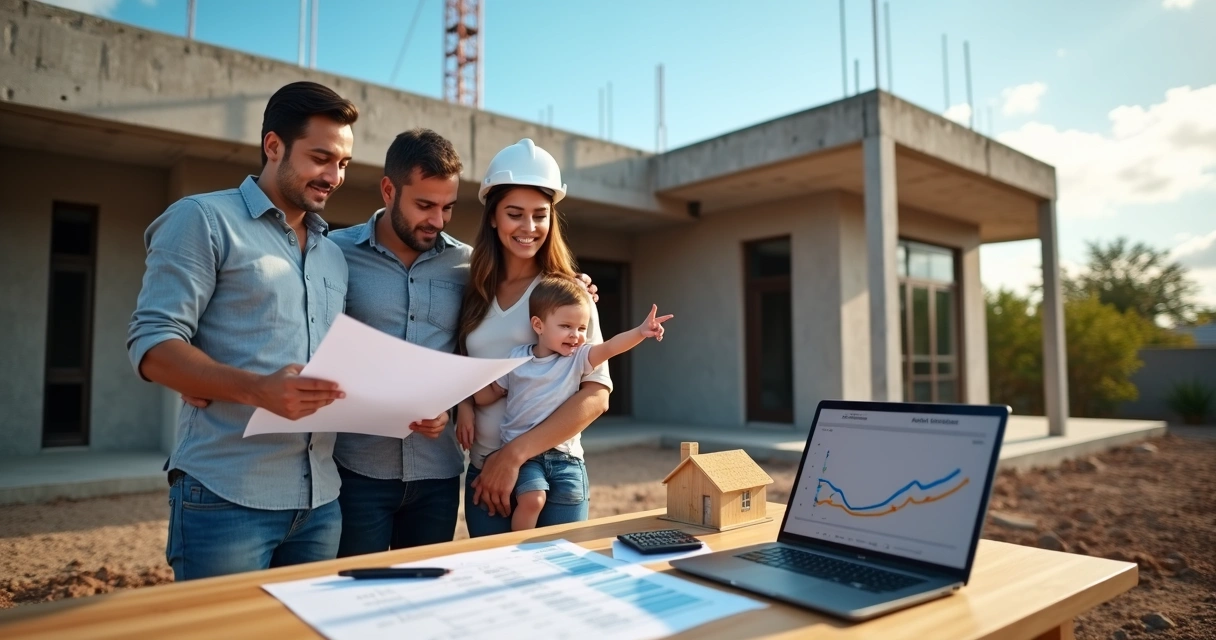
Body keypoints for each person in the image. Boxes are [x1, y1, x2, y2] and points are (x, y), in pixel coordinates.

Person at [126, 82, 358, 580]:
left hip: (321, 503)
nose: (334, 176)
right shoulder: (203, 219)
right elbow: (152, 344)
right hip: (225, 497)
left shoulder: (333, 254)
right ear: (273, 146)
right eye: (321, 158)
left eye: (343, 163)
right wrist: (257, 389)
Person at [456, 138, 614, 536]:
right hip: (484, 470)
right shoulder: (472, 289)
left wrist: (513, 456)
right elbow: (465, 367)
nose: (528, 228)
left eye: (540, 215)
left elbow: (595, 395)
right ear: (493, 217)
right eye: (514, 214)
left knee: (556, 593)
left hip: (553, 469)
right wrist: (465, 405)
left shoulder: (570, 295)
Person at [327, 129, 469, 555]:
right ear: (389, 189)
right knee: (354, 598)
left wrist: (573, 286)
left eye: (447, 208)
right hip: (357, 470)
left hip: (437, 473)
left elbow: (498, 330)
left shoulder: (467, 263)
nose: (438, 220)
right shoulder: (333, 252)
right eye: (424, 205)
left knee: (422, 603)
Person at [471, 276, 671, 530]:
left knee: (570, 520)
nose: (575, 335)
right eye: (566, 326)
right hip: (525, 457)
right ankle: (521, 550)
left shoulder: (578, 357)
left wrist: (640, 333)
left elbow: (610, 347)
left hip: (566, 457)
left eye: (581, 328)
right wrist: (464, 398)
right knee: (533, 499)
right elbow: (488, 394)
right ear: (538, 325)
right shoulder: (518, 359)